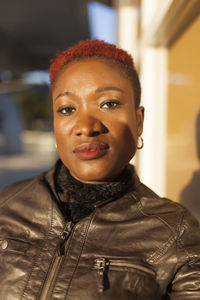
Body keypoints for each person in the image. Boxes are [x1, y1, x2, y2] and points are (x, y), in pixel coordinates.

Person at [0, 39, 200, 300]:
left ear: (138, 121)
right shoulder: (7, 204)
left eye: (109, 104)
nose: (86, 126)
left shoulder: (175, 231)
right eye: (67, 109)